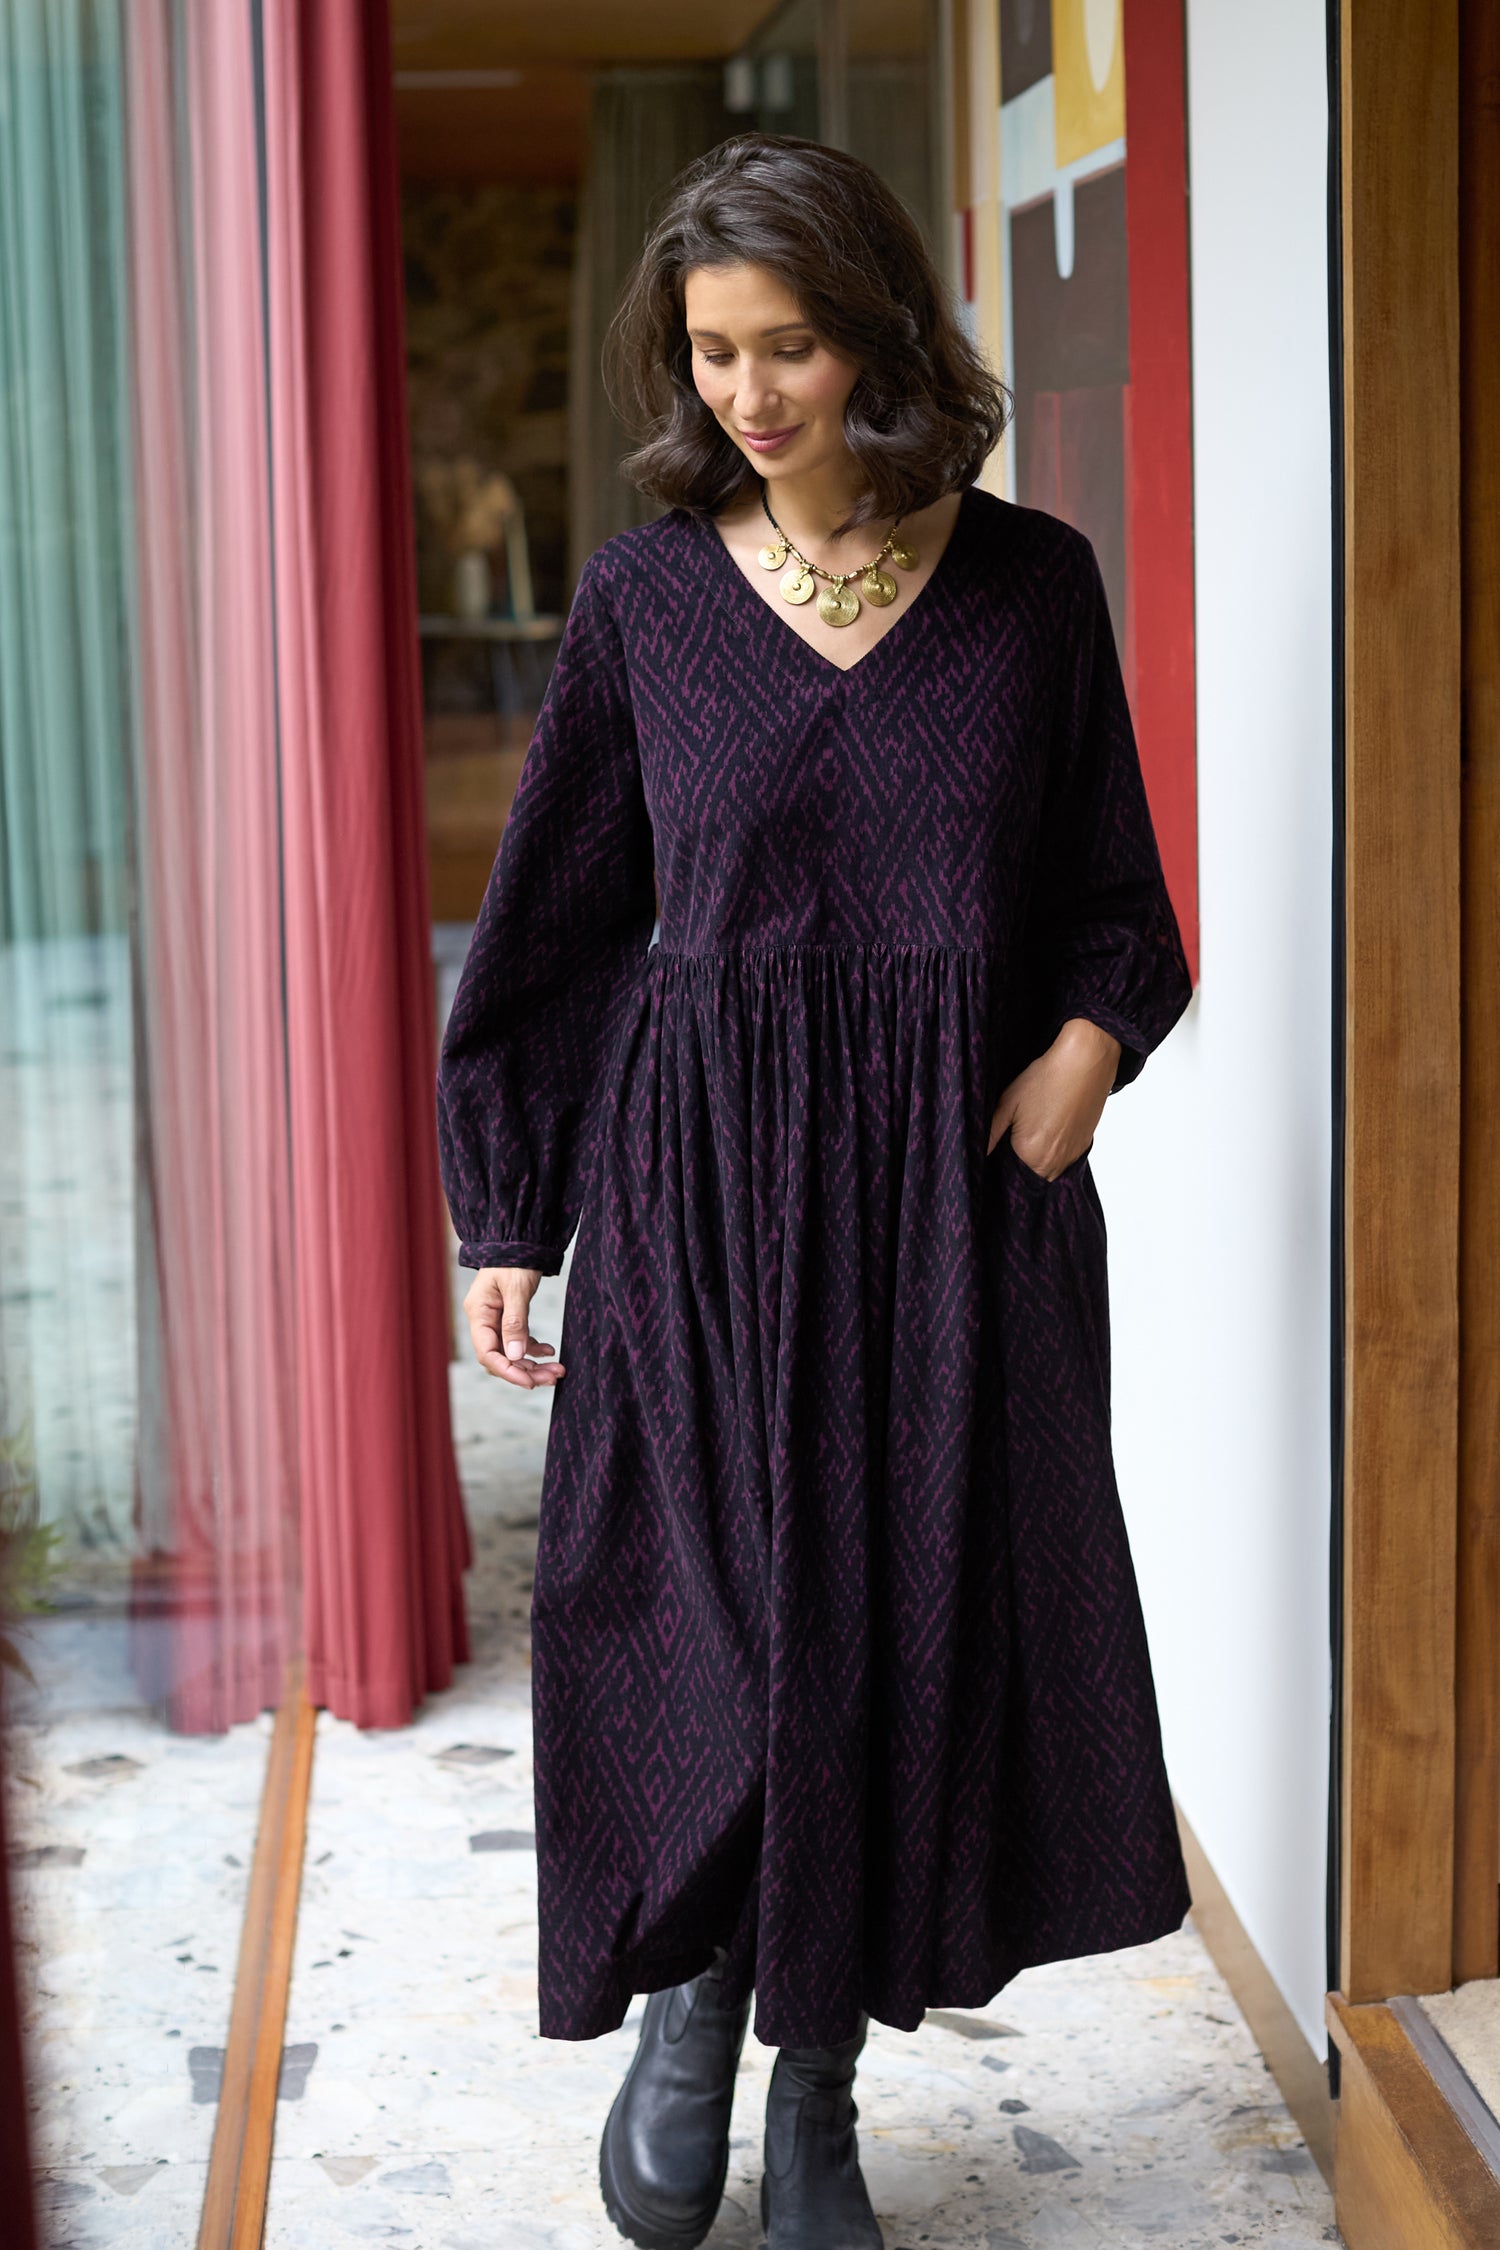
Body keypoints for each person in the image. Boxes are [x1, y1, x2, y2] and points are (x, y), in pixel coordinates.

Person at [437, 132, 1194, 2250]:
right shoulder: (650, 595)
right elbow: (558, 923)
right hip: (698, 1208)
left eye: (786, 344)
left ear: (877, 332)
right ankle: (692, 2010)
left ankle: (824, 2090)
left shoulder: (1032, 584)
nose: (749, 393)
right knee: (704, 1625)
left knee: (899, 1648)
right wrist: (511, 1213)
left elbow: (1117, 910)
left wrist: (1080, 1060)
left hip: (951, 1222)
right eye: (711, 352)